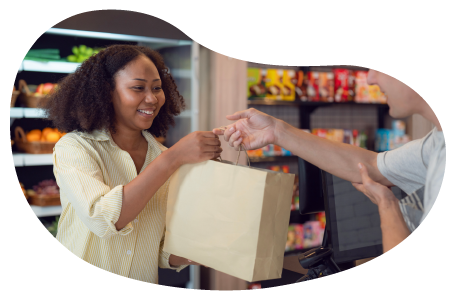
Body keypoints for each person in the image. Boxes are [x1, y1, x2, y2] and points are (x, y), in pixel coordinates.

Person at [213, 69, 445, 254]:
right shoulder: (438, 142)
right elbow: (373, 167)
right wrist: (277, 131)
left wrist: (388, 206)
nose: (371, 78)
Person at [44, 44, 222, 284]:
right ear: (106, 92)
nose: (152, 98)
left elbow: (158, 248)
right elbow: (102, 219)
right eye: (138, 88)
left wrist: (204, 249)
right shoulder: (75, 148)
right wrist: (173, 158)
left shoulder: (164, 156)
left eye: (157, 88)